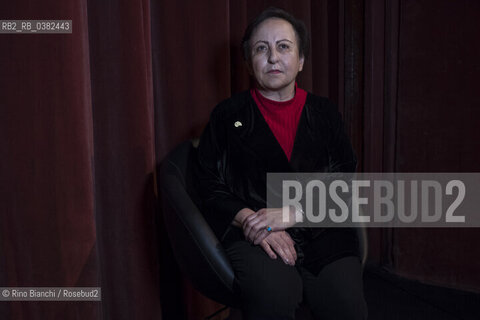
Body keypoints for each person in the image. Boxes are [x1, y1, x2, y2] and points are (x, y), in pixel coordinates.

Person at [195, 7, 367, 320]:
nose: (273, 57)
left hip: (321, 228)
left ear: (300, 61)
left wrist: (293, 214)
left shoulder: (326, 113)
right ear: (249, 63)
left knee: (347, 304)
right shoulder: (226, 116)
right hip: (256, 235)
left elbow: (344, 180)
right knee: (276, 296)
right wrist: (252, 220)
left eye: (284, 47)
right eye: (262, 49)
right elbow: (207, 183)